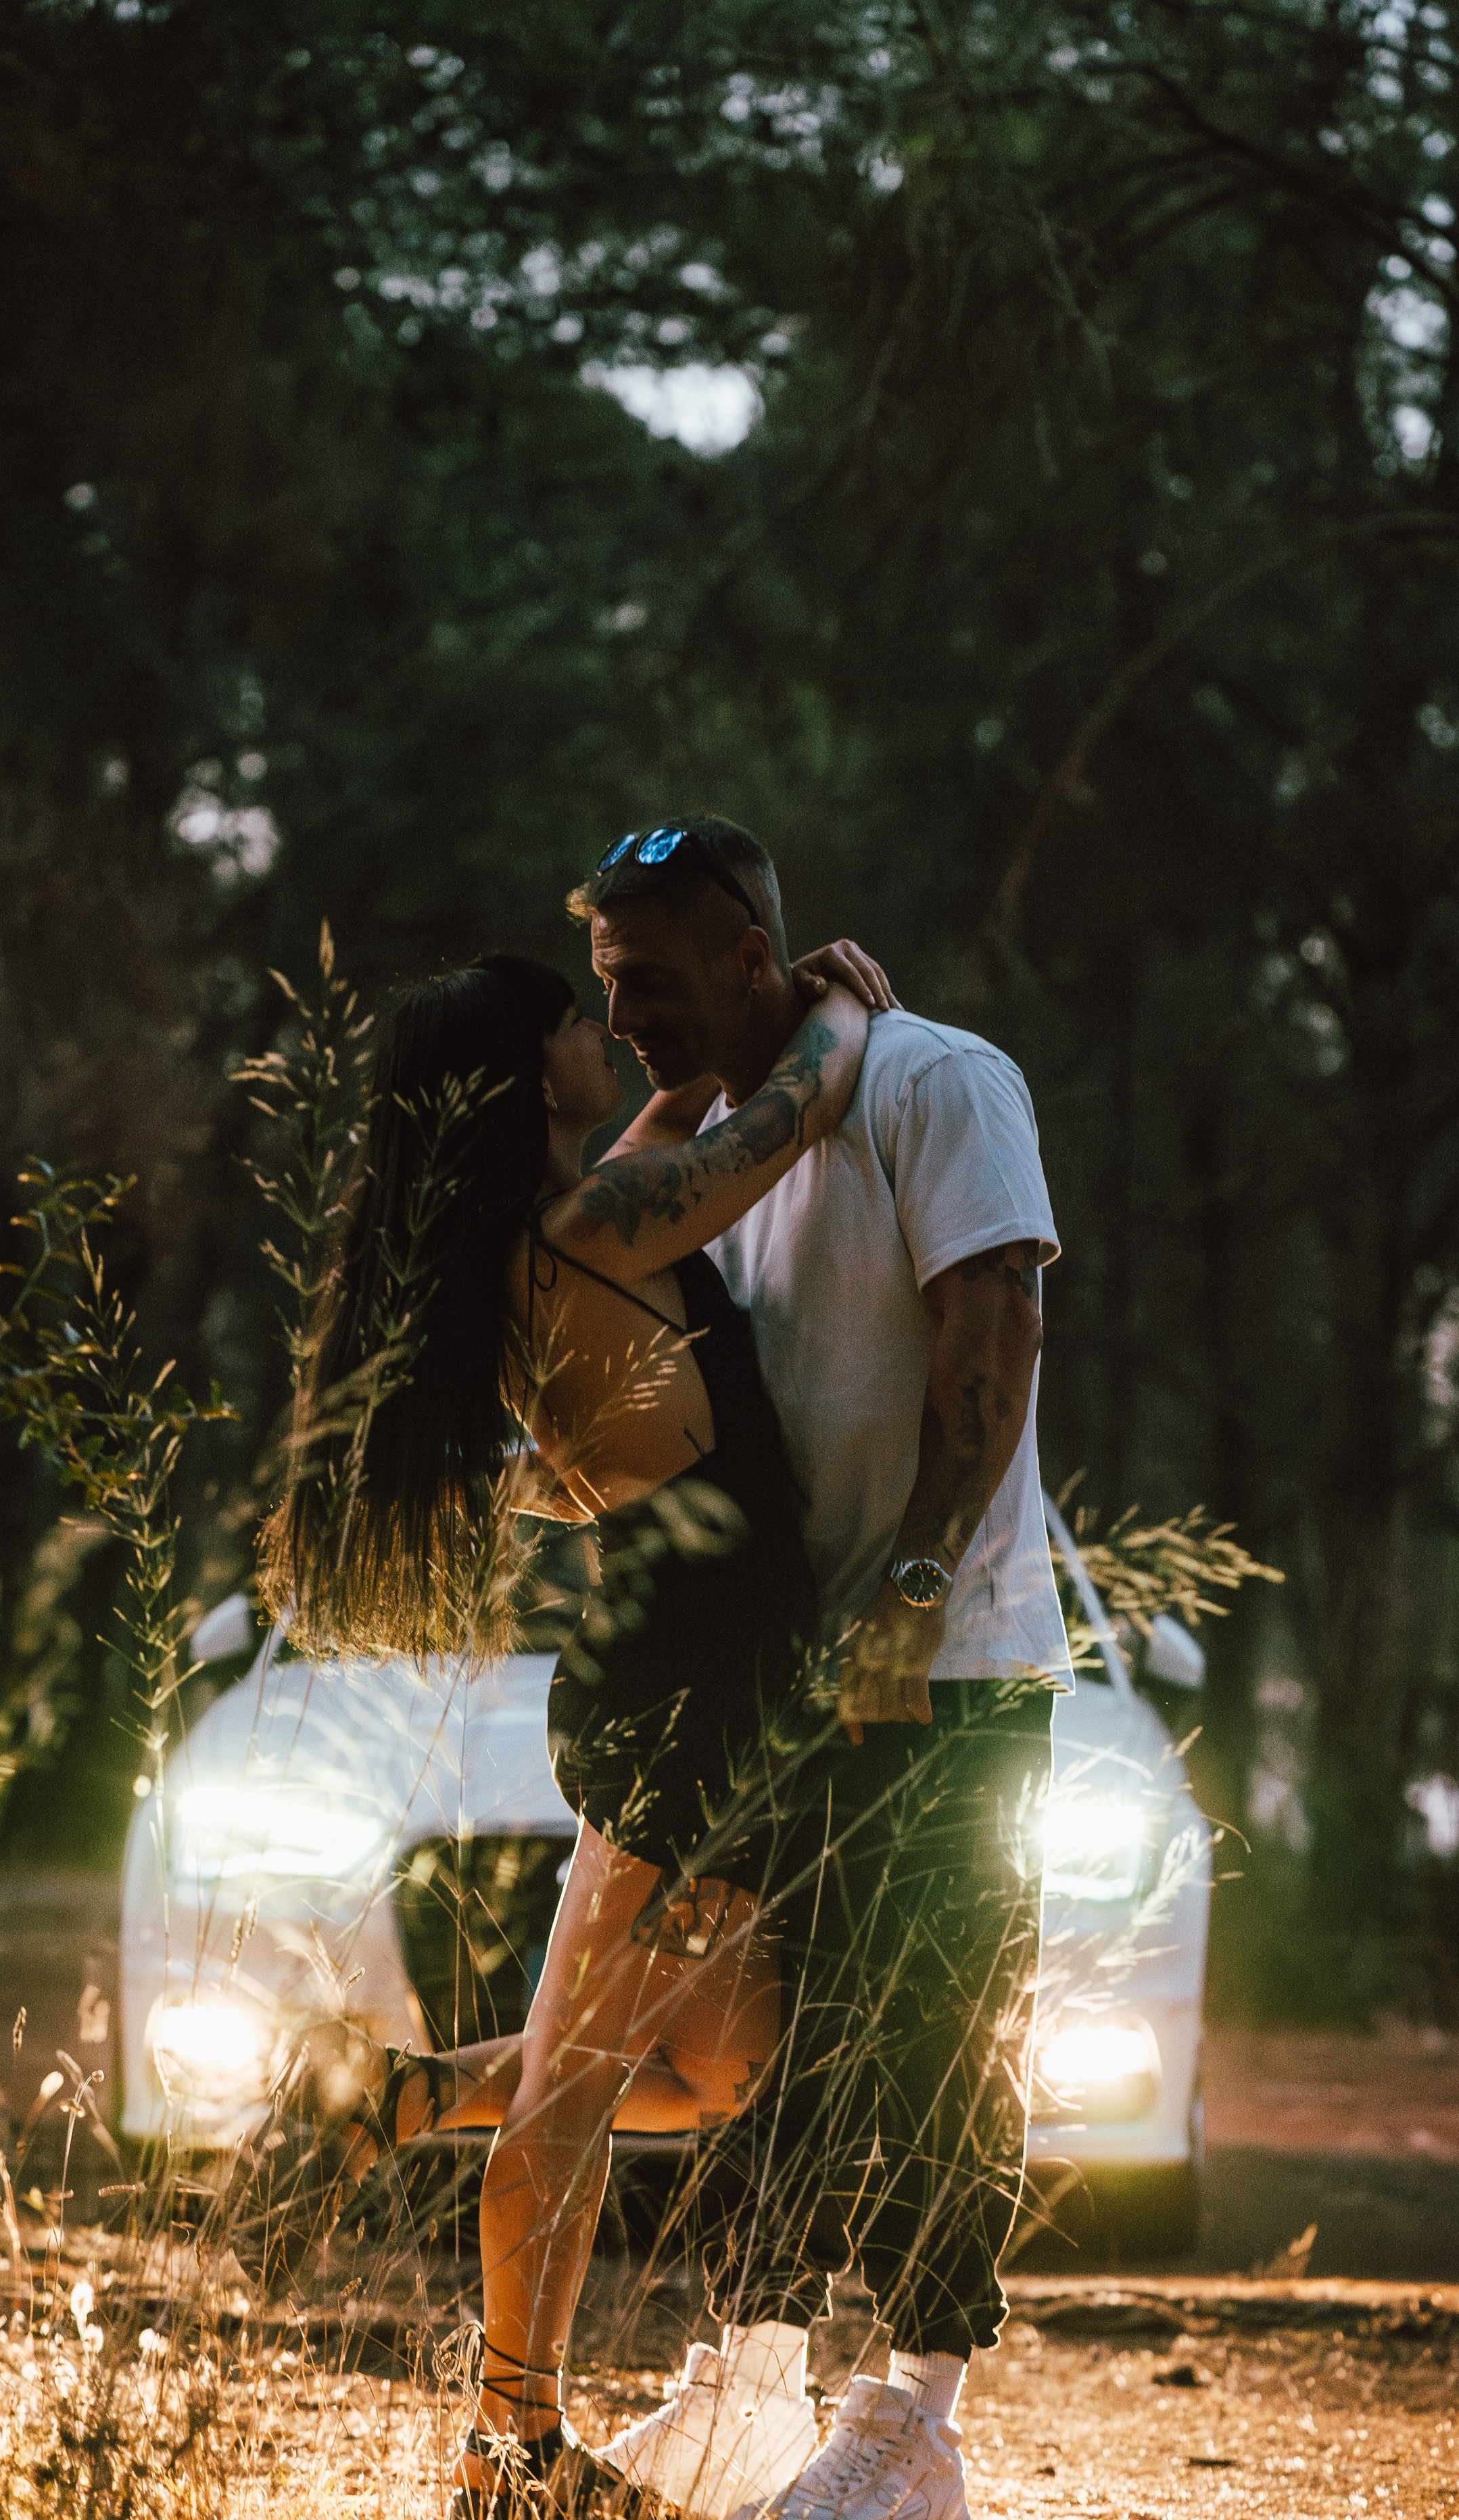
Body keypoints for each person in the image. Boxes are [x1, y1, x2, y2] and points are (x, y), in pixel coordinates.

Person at [262, 927, 891, 2519]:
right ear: (525, 1062)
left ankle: (390, 2096)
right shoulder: (589, 1228)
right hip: (693, 1693)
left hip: (695, 1680)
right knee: (576, 2102)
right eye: (575, 1015)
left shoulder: (554, 1225)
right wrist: (830, 1009)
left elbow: (672, 1123)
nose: (604, 1028)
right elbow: (784, 1118)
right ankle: (513, 2449)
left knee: (712, 2073)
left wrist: (711, 1047)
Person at [575, 817, 1072, 2520]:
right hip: (793, 1680)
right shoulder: (729, 1143)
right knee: (785, 2041)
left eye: (644, 980)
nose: (624, 1014)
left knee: (941, 2032)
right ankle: (745, 2394)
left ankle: (912, 2420)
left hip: (952, 1664)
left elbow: (991, 1317)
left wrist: (920, 1583)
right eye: (602, 983)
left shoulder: (940, 1081)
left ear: (738, 950)